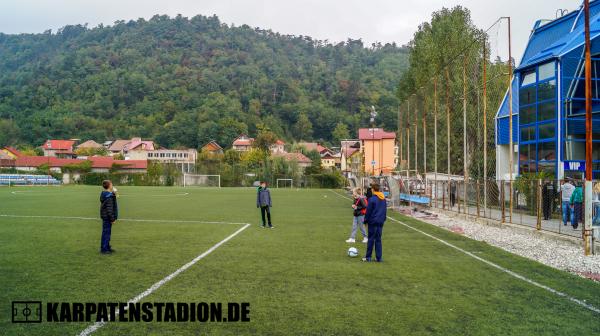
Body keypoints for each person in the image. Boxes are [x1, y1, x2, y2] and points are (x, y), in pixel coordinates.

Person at [362, 183, 387, 262]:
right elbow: (385, 210)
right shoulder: (383, 198)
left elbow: (368, 211)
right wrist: (383, 219)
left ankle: (368, 257)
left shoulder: (372, 199)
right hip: (380, 221)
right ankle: (379, 258)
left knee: (371, 239)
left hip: (373, 222)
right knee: (378, 239)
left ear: (373, 189)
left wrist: (365, 221)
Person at [100, 180, 118, 254]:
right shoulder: (108, 197)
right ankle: (104, 249)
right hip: (107, 217)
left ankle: (106, 247)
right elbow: (109, 209)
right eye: (112, 185)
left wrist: (114, 193)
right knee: (106, 233)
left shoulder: (107, 194)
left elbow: (113, 196)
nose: (112, 186)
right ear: (109, 186)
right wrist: (112, 219)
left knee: (107, 233)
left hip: (106, 217)